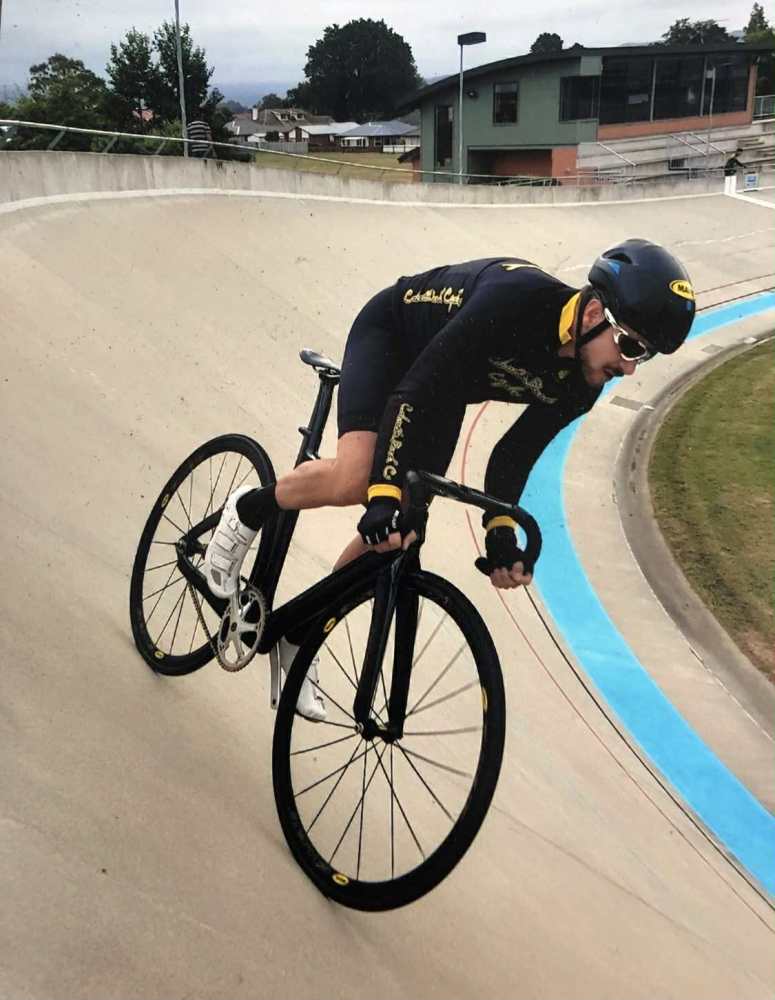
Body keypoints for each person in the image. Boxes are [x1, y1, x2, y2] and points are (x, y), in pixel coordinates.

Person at [204, 239, 696, 720]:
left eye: (644, 356)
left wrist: (501, 533)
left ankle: (301, 635)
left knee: (402, 533)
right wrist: (381, 490)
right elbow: (410, 392)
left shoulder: (585, 380)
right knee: (359, 479)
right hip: (394, 338)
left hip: (445, 387)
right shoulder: (516, 301)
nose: (630, 368)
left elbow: (512, 456)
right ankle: (248, 509)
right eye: (630, 346)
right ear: (593, 316)